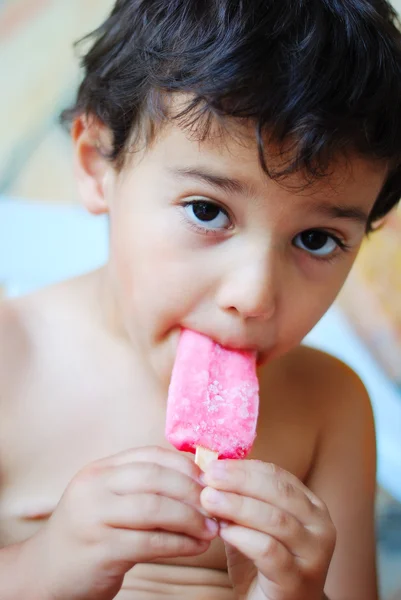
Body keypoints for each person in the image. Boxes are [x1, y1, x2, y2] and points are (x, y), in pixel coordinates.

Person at [1, 0, 401, 598]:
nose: (254, 295)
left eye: (316, 240)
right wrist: (48, 563)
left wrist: (298, 590)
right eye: (207, 211)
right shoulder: (12, 363)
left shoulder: (329, 408)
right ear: (96, 163)